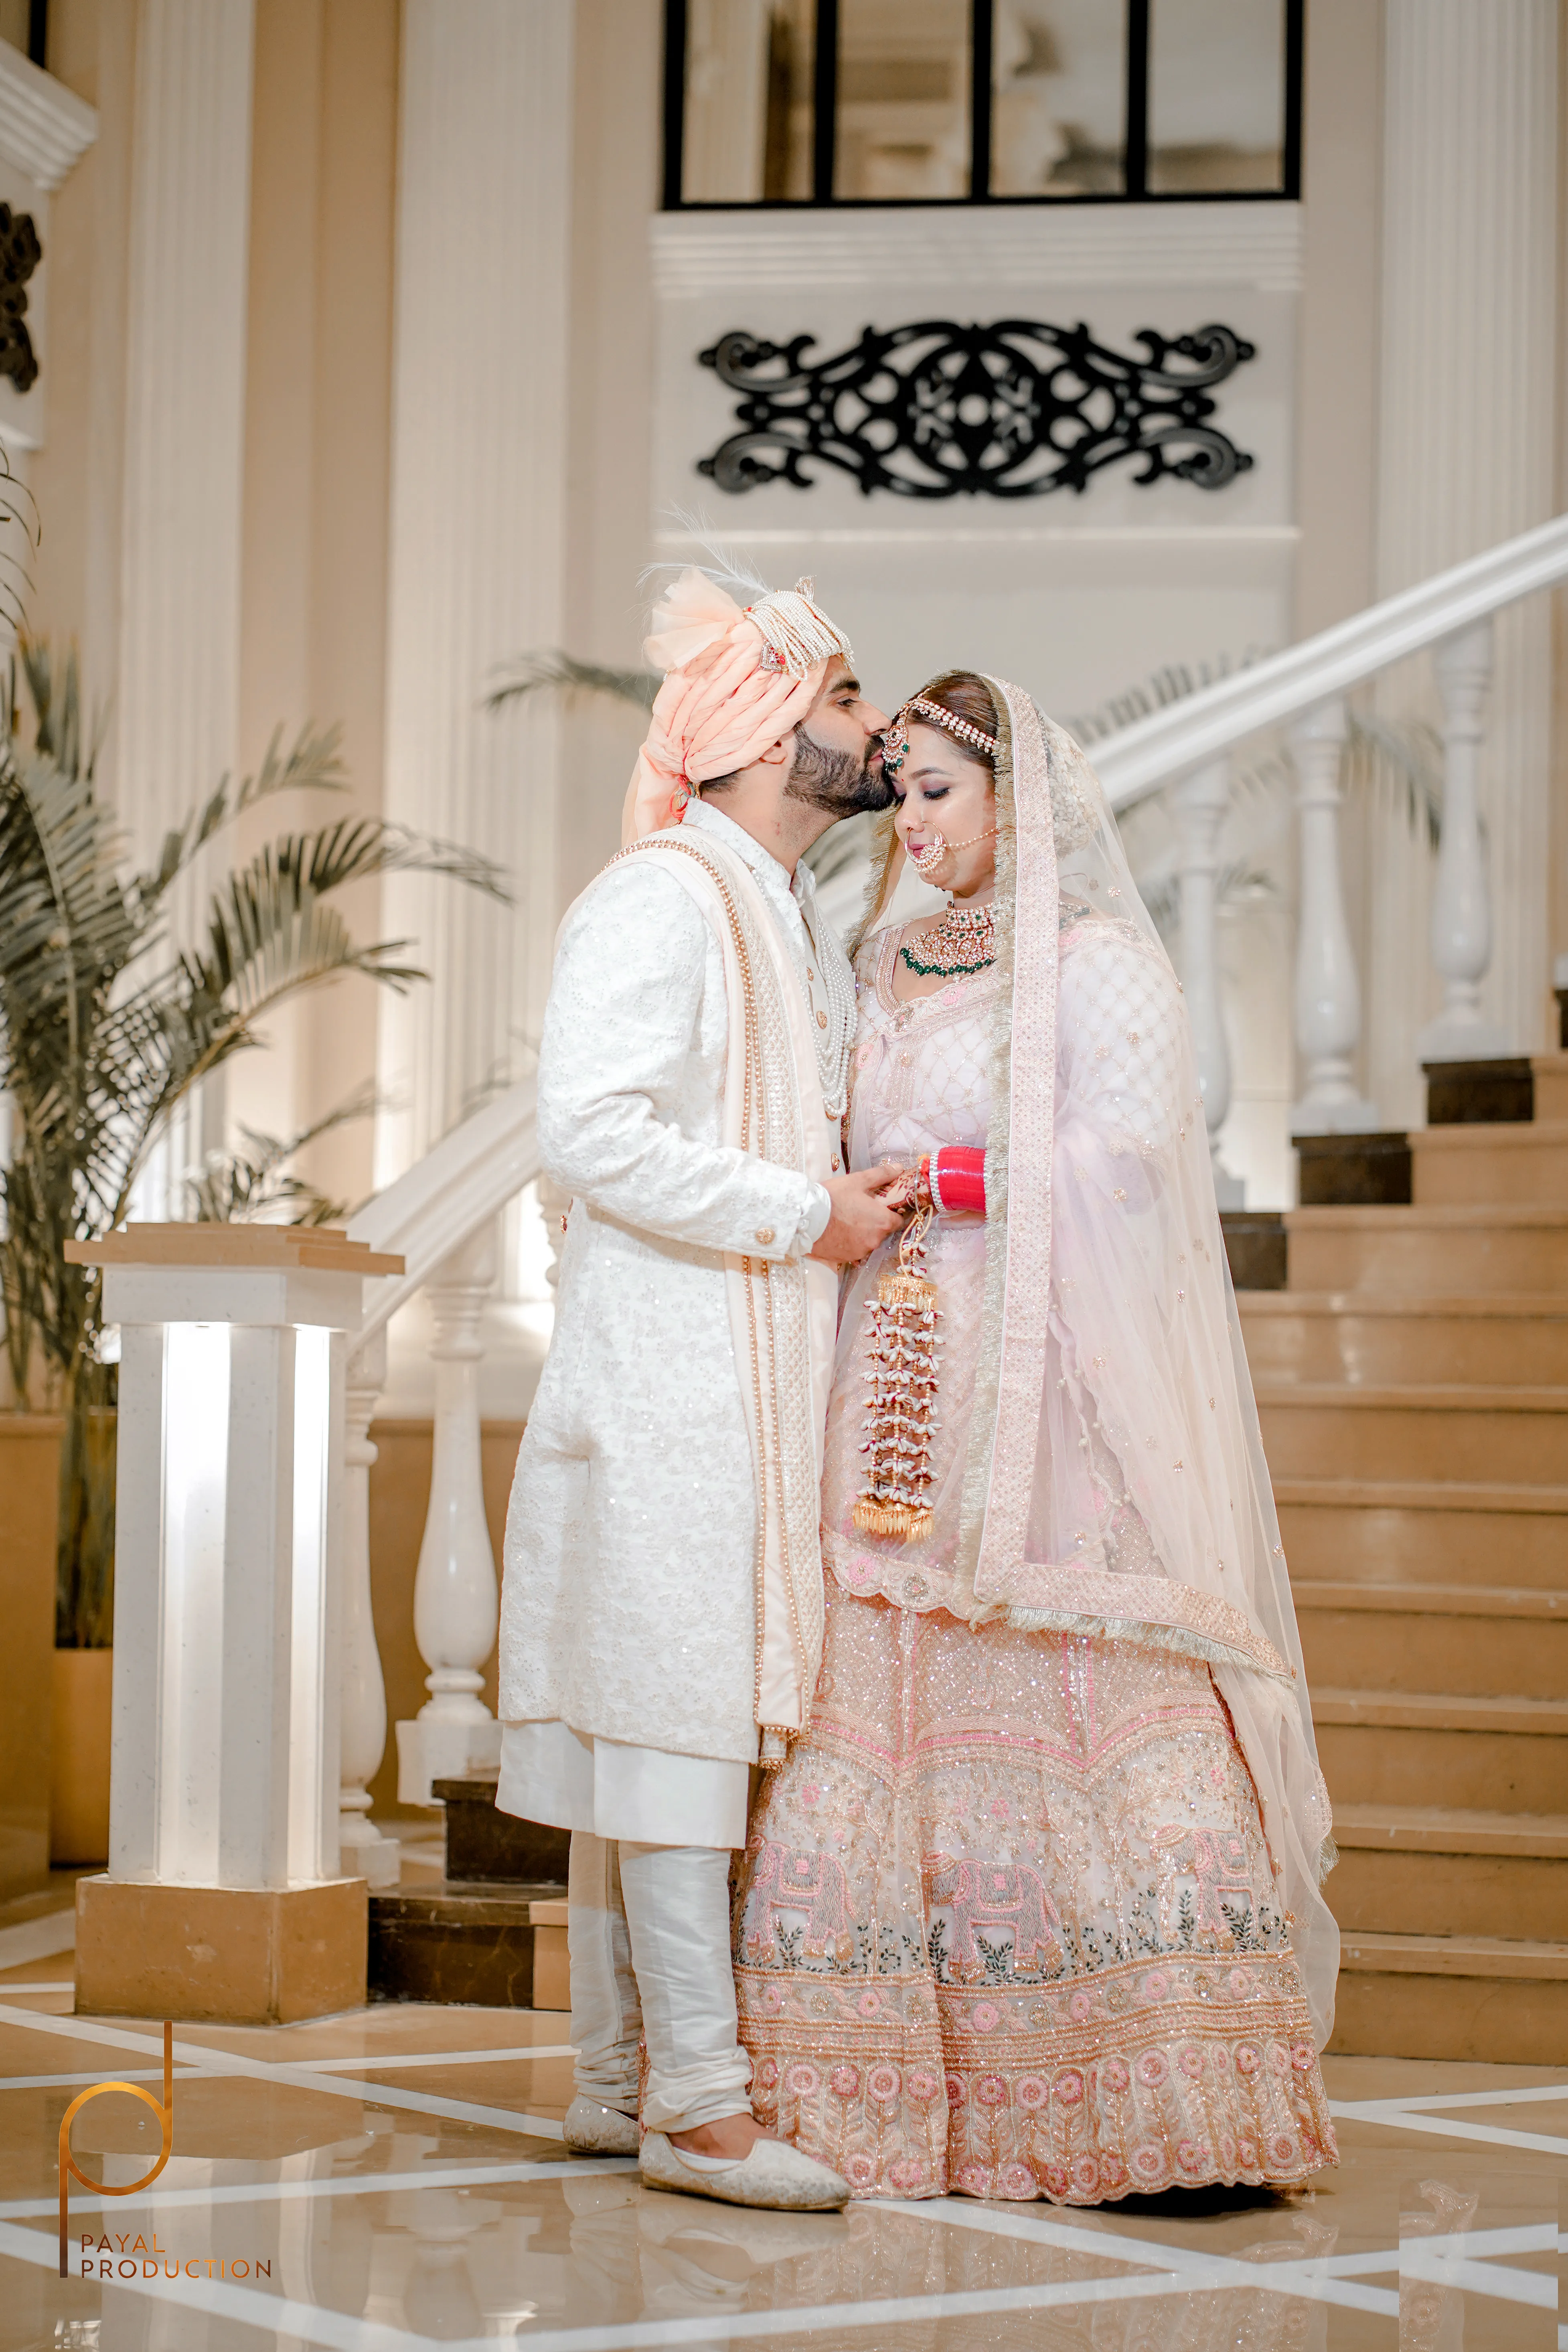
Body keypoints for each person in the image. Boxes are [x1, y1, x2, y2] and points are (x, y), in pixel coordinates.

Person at [731, 671, 1340, 2204]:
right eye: (903, 792)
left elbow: (1129, 1162)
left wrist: (944, 1179)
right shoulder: (875, 958)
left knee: (1080, 1669)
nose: (912, 820)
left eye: (939, 789)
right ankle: (868, 2088)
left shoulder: (1096, 962)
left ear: (1019, 796)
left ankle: (1161, 2094)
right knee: (876, 1665)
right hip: (889, 1365)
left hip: (1049, 1391)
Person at [496, 563, 903, 2212]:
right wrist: (806, 1212)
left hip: (728, 1379)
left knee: (656, 1734)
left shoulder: (769, 903)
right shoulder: (663, 895)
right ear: (757, 730)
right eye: (843, 698)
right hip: (668, 1382)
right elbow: (584, 1128)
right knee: (664, 1731)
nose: (869, 727)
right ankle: (705, 2108)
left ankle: (614, 2082)